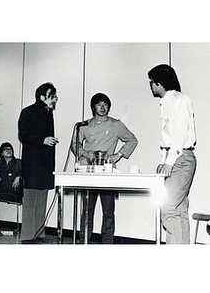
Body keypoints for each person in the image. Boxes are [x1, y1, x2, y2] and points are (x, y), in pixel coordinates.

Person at [71, 93, 138, 243]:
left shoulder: (116, 124)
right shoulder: (84, 125)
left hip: (108, 172)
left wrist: (118, 155)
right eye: (99, 104)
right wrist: (86, 154)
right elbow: (74, 145)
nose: (102, 107)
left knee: (108, 211)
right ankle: (84, 241)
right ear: (93, 107)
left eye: (105, 104)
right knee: (87, 210)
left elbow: (132, 140)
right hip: (89, 171)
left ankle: (107, 243)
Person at [148, 64, 197, 244]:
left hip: (181, 158)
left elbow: (180, 133)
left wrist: (169, 161)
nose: (151, 86)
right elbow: (167, 137)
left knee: (168, 207)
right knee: (179, 209)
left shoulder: (179, 100)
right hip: (176, 157)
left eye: (152, 82)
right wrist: (163, 161)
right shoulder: (167, 102)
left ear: (159, 83)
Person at [18, 82, 59, 244]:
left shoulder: (48, 113)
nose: (55, 99)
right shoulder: (28, 112)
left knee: (42, 198)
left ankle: (38, 234)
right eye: (52, 96)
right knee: (30, 200)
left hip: (46, 164)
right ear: (42, 97)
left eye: (55, 96)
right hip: (33, 164)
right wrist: (42, 140)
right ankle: (28, 236)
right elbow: (24, 135)